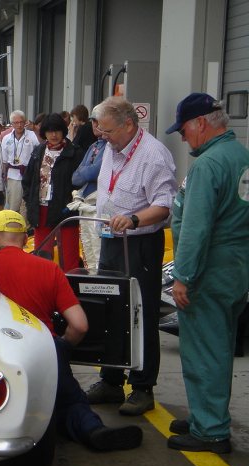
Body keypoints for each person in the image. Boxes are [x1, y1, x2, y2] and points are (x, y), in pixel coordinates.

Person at [0, 210, 142, 451]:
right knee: (70, 402)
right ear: (22, 238)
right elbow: (80, 325)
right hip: (43, 348)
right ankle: (93, 430)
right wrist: (62, 347)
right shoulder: (48, 269)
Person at [164, 93, 249, 453]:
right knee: (220, 344)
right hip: (235, 268)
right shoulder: (241, 156)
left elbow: (197, 227)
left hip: (209, 271)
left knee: (205, 350)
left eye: (184, 131)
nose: (184, 139)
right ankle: (206, 415)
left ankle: (210, 430)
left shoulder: (208, 165)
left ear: (200, 123)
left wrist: (184, 277)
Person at [86, 96, 177, 415]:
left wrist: (135, 219)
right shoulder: (111, 148)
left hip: (139, 245)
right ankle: (110, 380)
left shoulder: (153, 155)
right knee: (110, 309)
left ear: (128, 125)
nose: (101, 135)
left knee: (141, 313)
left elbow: (164, 205)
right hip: (111, 240)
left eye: (107, 130)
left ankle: (142, 387)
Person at [22, 113, 83, 271]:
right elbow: (28, 180)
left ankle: (70, 287)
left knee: (69, 256)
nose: (53, 135)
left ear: (63, 131)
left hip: (65, 209)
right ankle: (44, 288)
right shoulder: (38, 152)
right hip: (41, 208)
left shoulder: (74, 152)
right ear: (44, 133)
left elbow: (80, 182)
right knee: (42, 254)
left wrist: (73, 203)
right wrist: (30, 201)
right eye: (49, 131)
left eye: (57, 130)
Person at [69, 107, 105, 270]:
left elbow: (92, 172)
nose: (94, 124)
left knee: (98, 254)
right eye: (93, 121)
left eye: (97, 120)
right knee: (88, 253)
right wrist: (86, 171)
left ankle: (99, 288)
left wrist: (86, 170)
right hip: (85, 204)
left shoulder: (110, 148)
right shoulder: (93, 146)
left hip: (99, 208)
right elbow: (76, 177)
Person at [1, 110, 39, 212]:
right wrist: (4, 178)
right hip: (13, 176)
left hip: (29, 175)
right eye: (16, 123)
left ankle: (26, 227)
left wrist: (35, 129)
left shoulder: (32, 135)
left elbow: (42, 146)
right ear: (12, 124)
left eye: (21, 122)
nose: (19, 125)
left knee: (27, 207)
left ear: (25, 122)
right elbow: (4, 161)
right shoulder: (6, 138)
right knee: (13, 207)